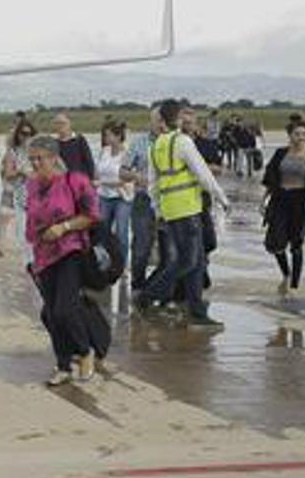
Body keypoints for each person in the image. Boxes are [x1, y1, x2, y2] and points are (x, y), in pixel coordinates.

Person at [136, 99, 231, 327]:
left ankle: (197, 312)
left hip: (171, 210)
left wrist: (158, 209)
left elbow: (152, 184)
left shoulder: (155, 145)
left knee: (196, 262)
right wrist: (221, 197)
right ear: (177, 118)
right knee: (188, 262)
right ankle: (147, 296)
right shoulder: (183, 142)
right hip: (188, 209)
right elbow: (203, 174)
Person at [23, 135, 101, 386]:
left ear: (54, 158)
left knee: (65, 309)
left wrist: (64, 226)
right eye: (32, 158)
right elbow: (31, 219)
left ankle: (85, 351)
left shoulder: (75, 181)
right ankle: (63, 364)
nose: (35, 164)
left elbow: (92, 215)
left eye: (40, 158)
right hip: (43, 255)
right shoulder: (32, 185)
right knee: (50, 315)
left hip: (70, 250)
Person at [263, 118, 305, 297]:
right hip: (280, 201)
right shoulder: (280, 153)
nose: (300, 137)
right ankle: (286, 274)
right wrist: (265, 199)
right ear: (289, 135)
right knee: (275, 243)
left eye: (303, 134)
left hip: (300, 203)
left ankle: (294, 286)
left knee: (296, 244)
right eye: (296, 134)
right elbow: (270, 177)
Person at [123, 108, 163, 291]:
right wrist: (136, 176)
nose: (160, 124)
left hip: (168, 201)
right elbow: (122, 171)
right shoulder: (139, 142)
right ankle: (137, 286)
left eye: (163, 120)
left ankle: (158, 288)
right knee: (141, 247)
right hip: (143, 200)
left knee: (168, 249)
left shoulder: (175, 142)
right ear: (151, 122)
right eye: (157, 120)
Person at [0, 118, 35, 258]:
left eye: (29, 134)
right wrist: (21, 172)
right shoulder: (13, 152)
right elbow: (7, 173)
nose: (26, 137)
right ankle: (1, 246)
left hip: (34, 194)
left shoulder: (36, 152)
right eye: (23, 134)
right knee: (8, 218)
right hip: (16, 192)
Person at [94, 120, 132, 261]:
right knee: (103, 231)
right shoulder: (104, 151)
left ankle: (122, 265)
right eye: (104, 135)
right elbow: (97, 172)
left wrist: (102, 182)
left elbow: (125, 180)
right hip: (104, 196)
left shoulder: (127, 152)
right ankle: (105, 262)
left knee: (121, 231)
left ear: (118, 136)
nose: (105, 139)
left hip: (123, 197)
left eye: (108, 135)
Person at [52, 113, 94, 180]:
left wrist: (91, 178)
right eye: (57, 123)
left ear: (69, 123)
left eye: (63, 123)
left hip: (80, 180)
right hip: (62, 182)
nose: (60, 126)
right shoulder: (53, 143)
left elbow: (89, 161)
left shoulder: (79, 140)